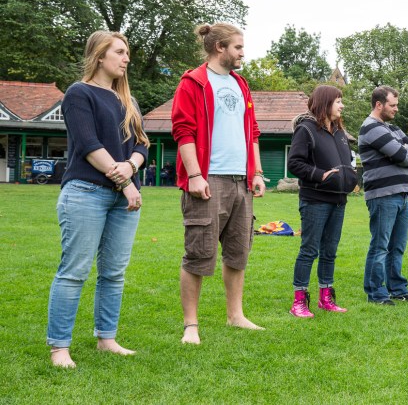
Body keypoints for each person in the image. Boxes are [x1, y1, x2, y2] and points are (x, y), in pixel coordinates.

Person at [47, 30, 149, 368]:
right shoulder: (79, 94)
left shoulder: (128, 101)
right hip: (85, 194)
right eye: (119, 52)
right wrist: (127, 182)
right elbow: (89, 146)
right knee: (74, 272)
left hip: (122, 200)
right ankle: (59, 347)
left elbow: (141, 144)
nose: (126, 58)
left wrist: (131, 164)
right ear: (100, 56)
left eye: (127, 53)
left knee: (114, 273)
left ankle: (107, 338)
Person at [171, 23, 266, 344]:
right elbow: (183, 131)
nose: (243, 53)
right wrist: (195, 175)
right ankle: (191, 326)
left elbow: (252, 132)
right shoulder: (192, 83)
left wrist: (257, 173)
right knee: (198, 253)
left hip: (241, 180)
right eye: (238, 47)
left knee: (238, 253)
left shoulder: (241, 84)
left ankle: (235, 316)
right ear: (220, 47)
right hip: (207, 180)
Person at [287, 85, 358, 318]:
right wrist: (320, 175)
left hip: (339, 201)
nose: (342, 105)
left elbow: (346, 161)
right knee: (309, 250)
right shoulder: (306, 130)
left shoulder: (339, 132)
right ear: (325, 103)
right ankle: (299, 301)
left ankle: (325, 298)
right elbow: (295, 163)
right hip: (315, 200)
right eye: (338, 101)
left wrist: (350, 179)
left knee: (330, 251)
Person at [360, 86, 408, 305]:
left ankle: (397, 288)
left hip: (402, 194)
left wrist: (407, 153)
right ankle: (376, 293)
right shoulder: (371, 128)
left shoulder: (392, 128)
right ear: (379, 105)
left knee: (397, 246)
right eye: (392, 105)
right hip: (383, 195)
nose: (396, 109)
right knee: (380, 245)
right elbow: (402, 156)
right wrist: (406, 154)